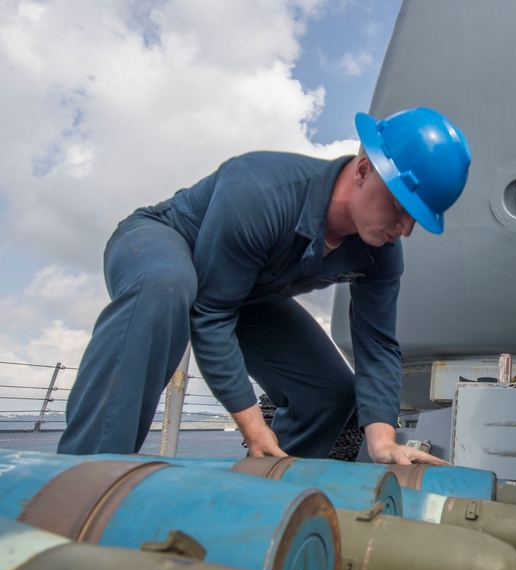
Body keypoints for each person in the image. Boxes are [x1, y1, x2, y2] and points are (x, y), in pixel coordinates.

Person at [58, 107, 472, 464]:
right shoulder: (260, 190)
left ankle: (266, 487)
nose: (406, 229)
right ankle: (84, 473)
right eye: (400, 205)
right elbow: (212, 313)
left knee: (330, 392)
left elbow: (378, 343)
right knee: (165, 286)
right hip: (163, 242)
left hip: (245, 295)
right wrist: (253, 426)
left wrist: (383, 442)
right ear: (363, 169)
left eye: (418, 218)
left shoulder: (380, 250)